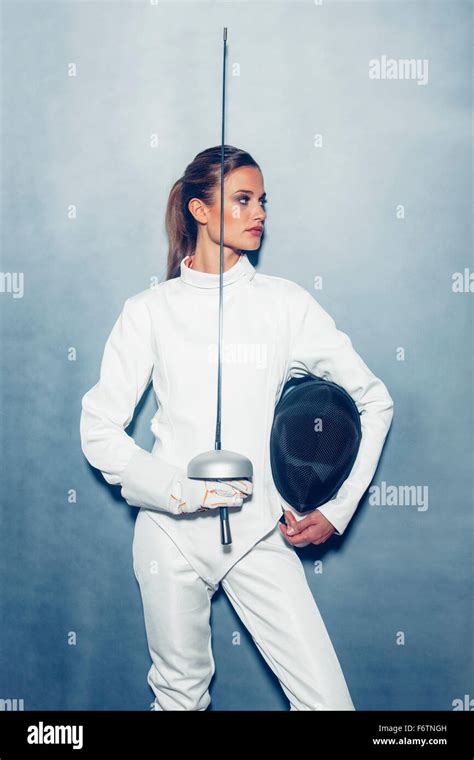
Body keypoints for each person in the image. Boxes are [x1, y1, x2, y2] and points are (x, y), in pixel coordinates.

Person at [80, 145, 394, 711]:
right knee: (179, 699)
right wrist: (180, 491)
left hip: (256, 533)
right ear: (200, 210)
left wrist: (337, 508)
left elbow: (375, 400)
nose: (259, 214)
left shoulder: (285, 305)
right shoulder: (148, 310)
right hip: (168, 535)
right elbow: (98, 430)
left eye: (262, 202)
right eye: (243, 200)